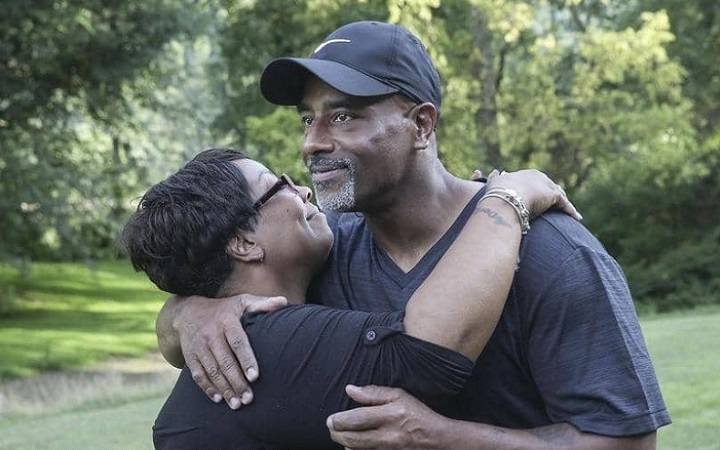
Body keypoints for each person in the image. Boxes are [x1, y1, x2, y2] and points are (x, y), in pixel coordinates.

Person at [157, 21, 671, 449]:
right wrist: (190, 313)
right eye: (308, 119)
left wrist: (445, 437)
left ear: (421, 125)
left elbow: (626, 443)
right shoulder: (323, 250)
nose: (312, 142)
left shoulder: (553, 252)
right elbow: (226, 295)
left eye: (343, 116)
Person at [123, 148, 575, 449]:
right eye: (279, 185)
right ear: (244, 242)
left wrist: (183, 310)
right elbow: (424, 351)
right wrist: (507, 198)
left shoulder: (243, 330)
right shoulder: (267, 344)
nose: (302, 189)